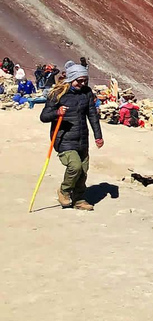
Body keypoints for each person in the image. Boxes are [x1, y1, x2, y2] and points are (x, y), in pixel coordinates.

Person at [39, 64, 103, 211]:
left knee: (83, 171)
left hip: (82, 138)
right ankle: (64, 191)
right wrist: (57, 113)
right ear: (71, 78)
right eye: (79, 80)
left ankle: (79, 199)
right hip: (64, 138)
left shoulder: (87, 93)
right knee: (75, 167)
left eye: (85, 80)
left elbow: (92, 115)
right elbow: (43, 117)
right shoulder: (58, 94)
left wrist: (98, 136)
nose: (83, 84)